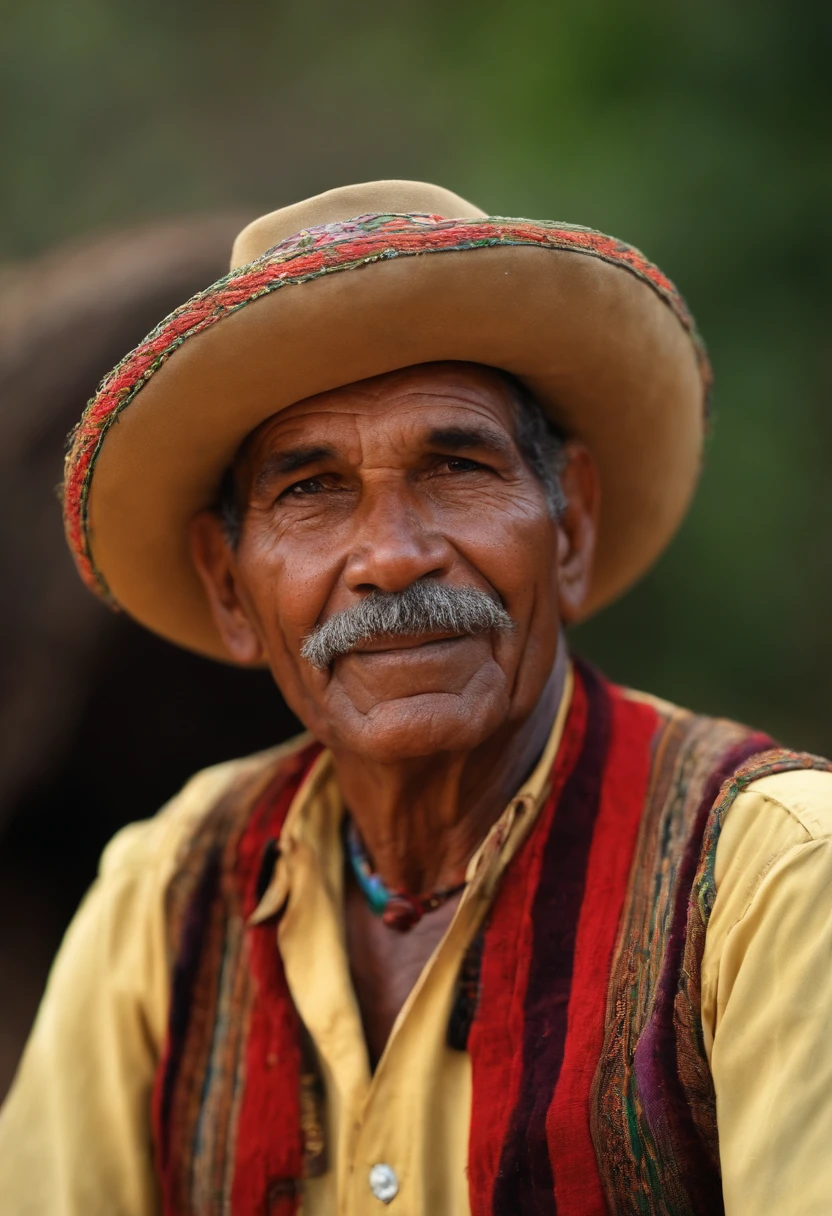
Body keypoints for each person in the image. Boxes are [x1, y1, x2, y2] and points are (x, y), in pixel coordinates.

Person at [1, 180, 830, 1216]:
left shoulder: (776, 879)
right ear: (229, 588)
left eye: (455, 464)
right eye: (310, 490)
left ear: (567, 527)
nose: (392, 557)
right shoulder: (161, 897)